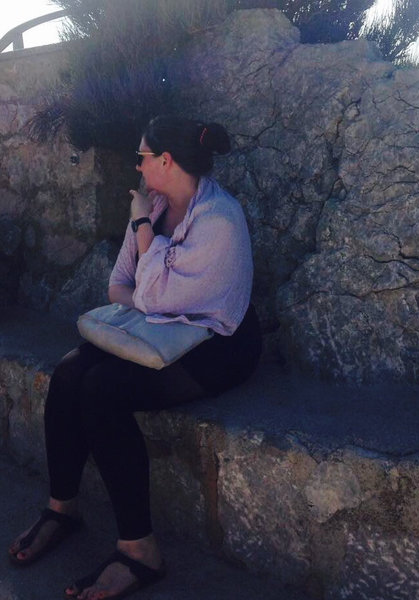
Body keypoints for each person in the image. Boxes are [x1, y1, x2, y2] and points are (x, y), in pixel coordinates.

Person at [8, 117, 262, 600]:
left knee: (103, 389)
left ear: (166, 161)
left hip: (217, 345)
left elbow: (152, 294)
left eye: (142, 157)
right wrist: (152, 294)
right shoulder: (156, 204)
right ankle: (62, 510)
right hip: (159, 329)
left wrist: (143, 232)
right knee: (69, 372)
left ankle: (140, 550)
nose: (137, 167)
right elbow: (120, 287)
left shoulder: (219, 221)